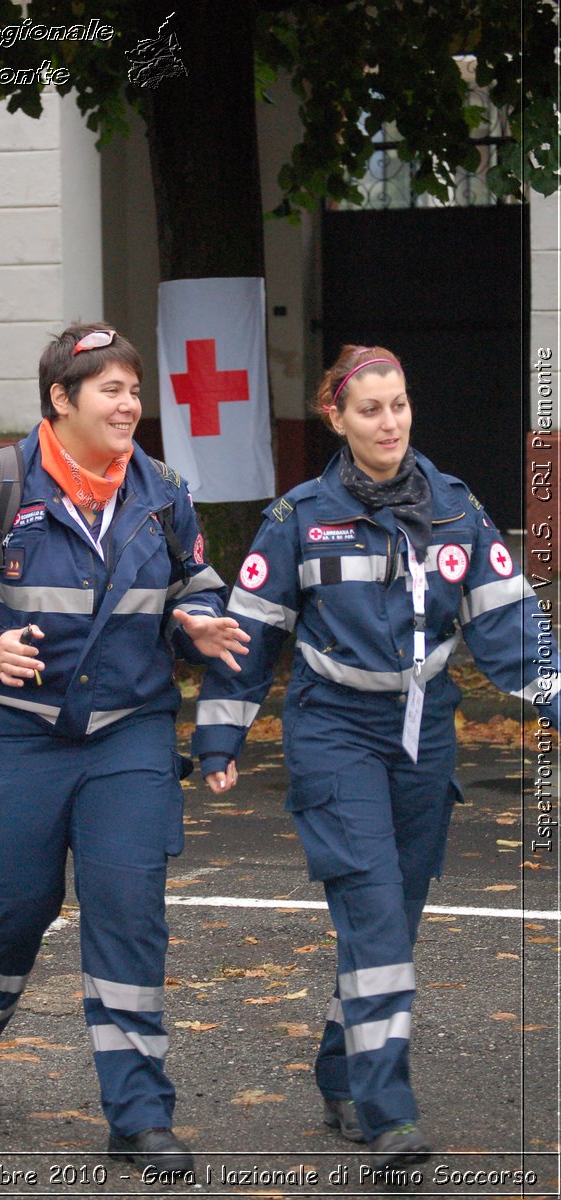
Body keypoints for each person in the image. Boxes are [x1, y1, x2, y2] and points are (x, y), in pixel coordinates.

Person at [193, 344, 559, 1167]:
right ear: (337, 417)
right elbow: (247, 637)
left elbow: (512, 635)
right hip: (334, 732)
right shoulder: (297, 518)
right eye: (370, 410)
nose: (388, 422)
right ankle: (388, 1110)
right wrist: (219, 738)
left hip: (426, 736)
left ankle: (339, 1069)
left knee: (393, 921)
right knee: (374, 911)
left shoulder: (457, 509)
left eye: (398, 406)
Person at [0, 323, 249, 1174]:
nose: (130, 405)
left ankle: (138, 1114)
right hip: (11, 738)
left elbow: (191, 581)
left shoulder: (162, 491)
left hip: (125, 734)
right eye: (112, 391)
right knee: (11, 912)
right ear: (62, 399)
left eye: (134, 390)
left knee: (129, 915)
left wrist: (195, 619)